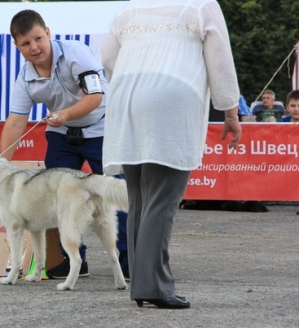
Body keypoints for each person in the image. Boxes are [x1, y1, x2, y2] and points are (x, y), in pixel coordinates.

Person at [102, 0, 242, 309]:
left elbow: (108, 56)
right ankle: (155, 287)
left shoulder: (130, 8)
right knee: (162, 199)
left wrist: (138, 70)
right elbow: (219, 60)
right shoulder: (203, 5)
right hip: (172, 94)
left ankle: (142, 284)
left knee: (139, 197)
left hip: (127, 93)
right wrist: (230, 111)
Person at [0, 9, 128, 279]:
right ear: (16, 46)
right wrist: (1, 167)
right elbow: (14, 124)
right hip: (62, 136)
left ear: (48, 33)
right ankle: (73, 260)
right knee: (56, 197)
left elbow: (94, 96)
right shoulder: (24, 80)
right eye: (25, 43)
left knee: (115, 193)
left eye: (37, 39)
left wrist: (66, 114)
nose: (34, 48)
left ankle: (129, 260)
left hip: (103, 128)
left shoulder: (76, 53)